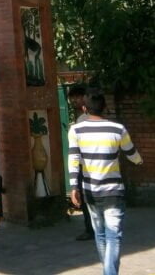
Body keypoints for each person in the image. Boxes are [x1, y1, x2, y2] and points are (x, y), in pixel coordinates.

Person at [68, 88, 143, 275]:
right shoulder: (118, 129)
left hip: (90, 191)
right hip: (113, 192)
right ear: (105, 107)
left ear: (85, 108)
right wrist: (139, 161)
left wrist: (73, 187)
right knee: (113, 237)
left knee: (100, 235)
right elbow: (132, 154)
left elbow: (74, 159)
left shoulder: (76, 130)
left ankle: (108, 272)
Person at [67, 83, 94, 240]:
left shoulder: (84, 119)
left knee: (85, 199)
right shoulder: (88, 116)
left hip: (85, 165)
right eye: (72, 98)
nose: (74, 101)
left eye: (77, 97)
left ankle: (90, 229)